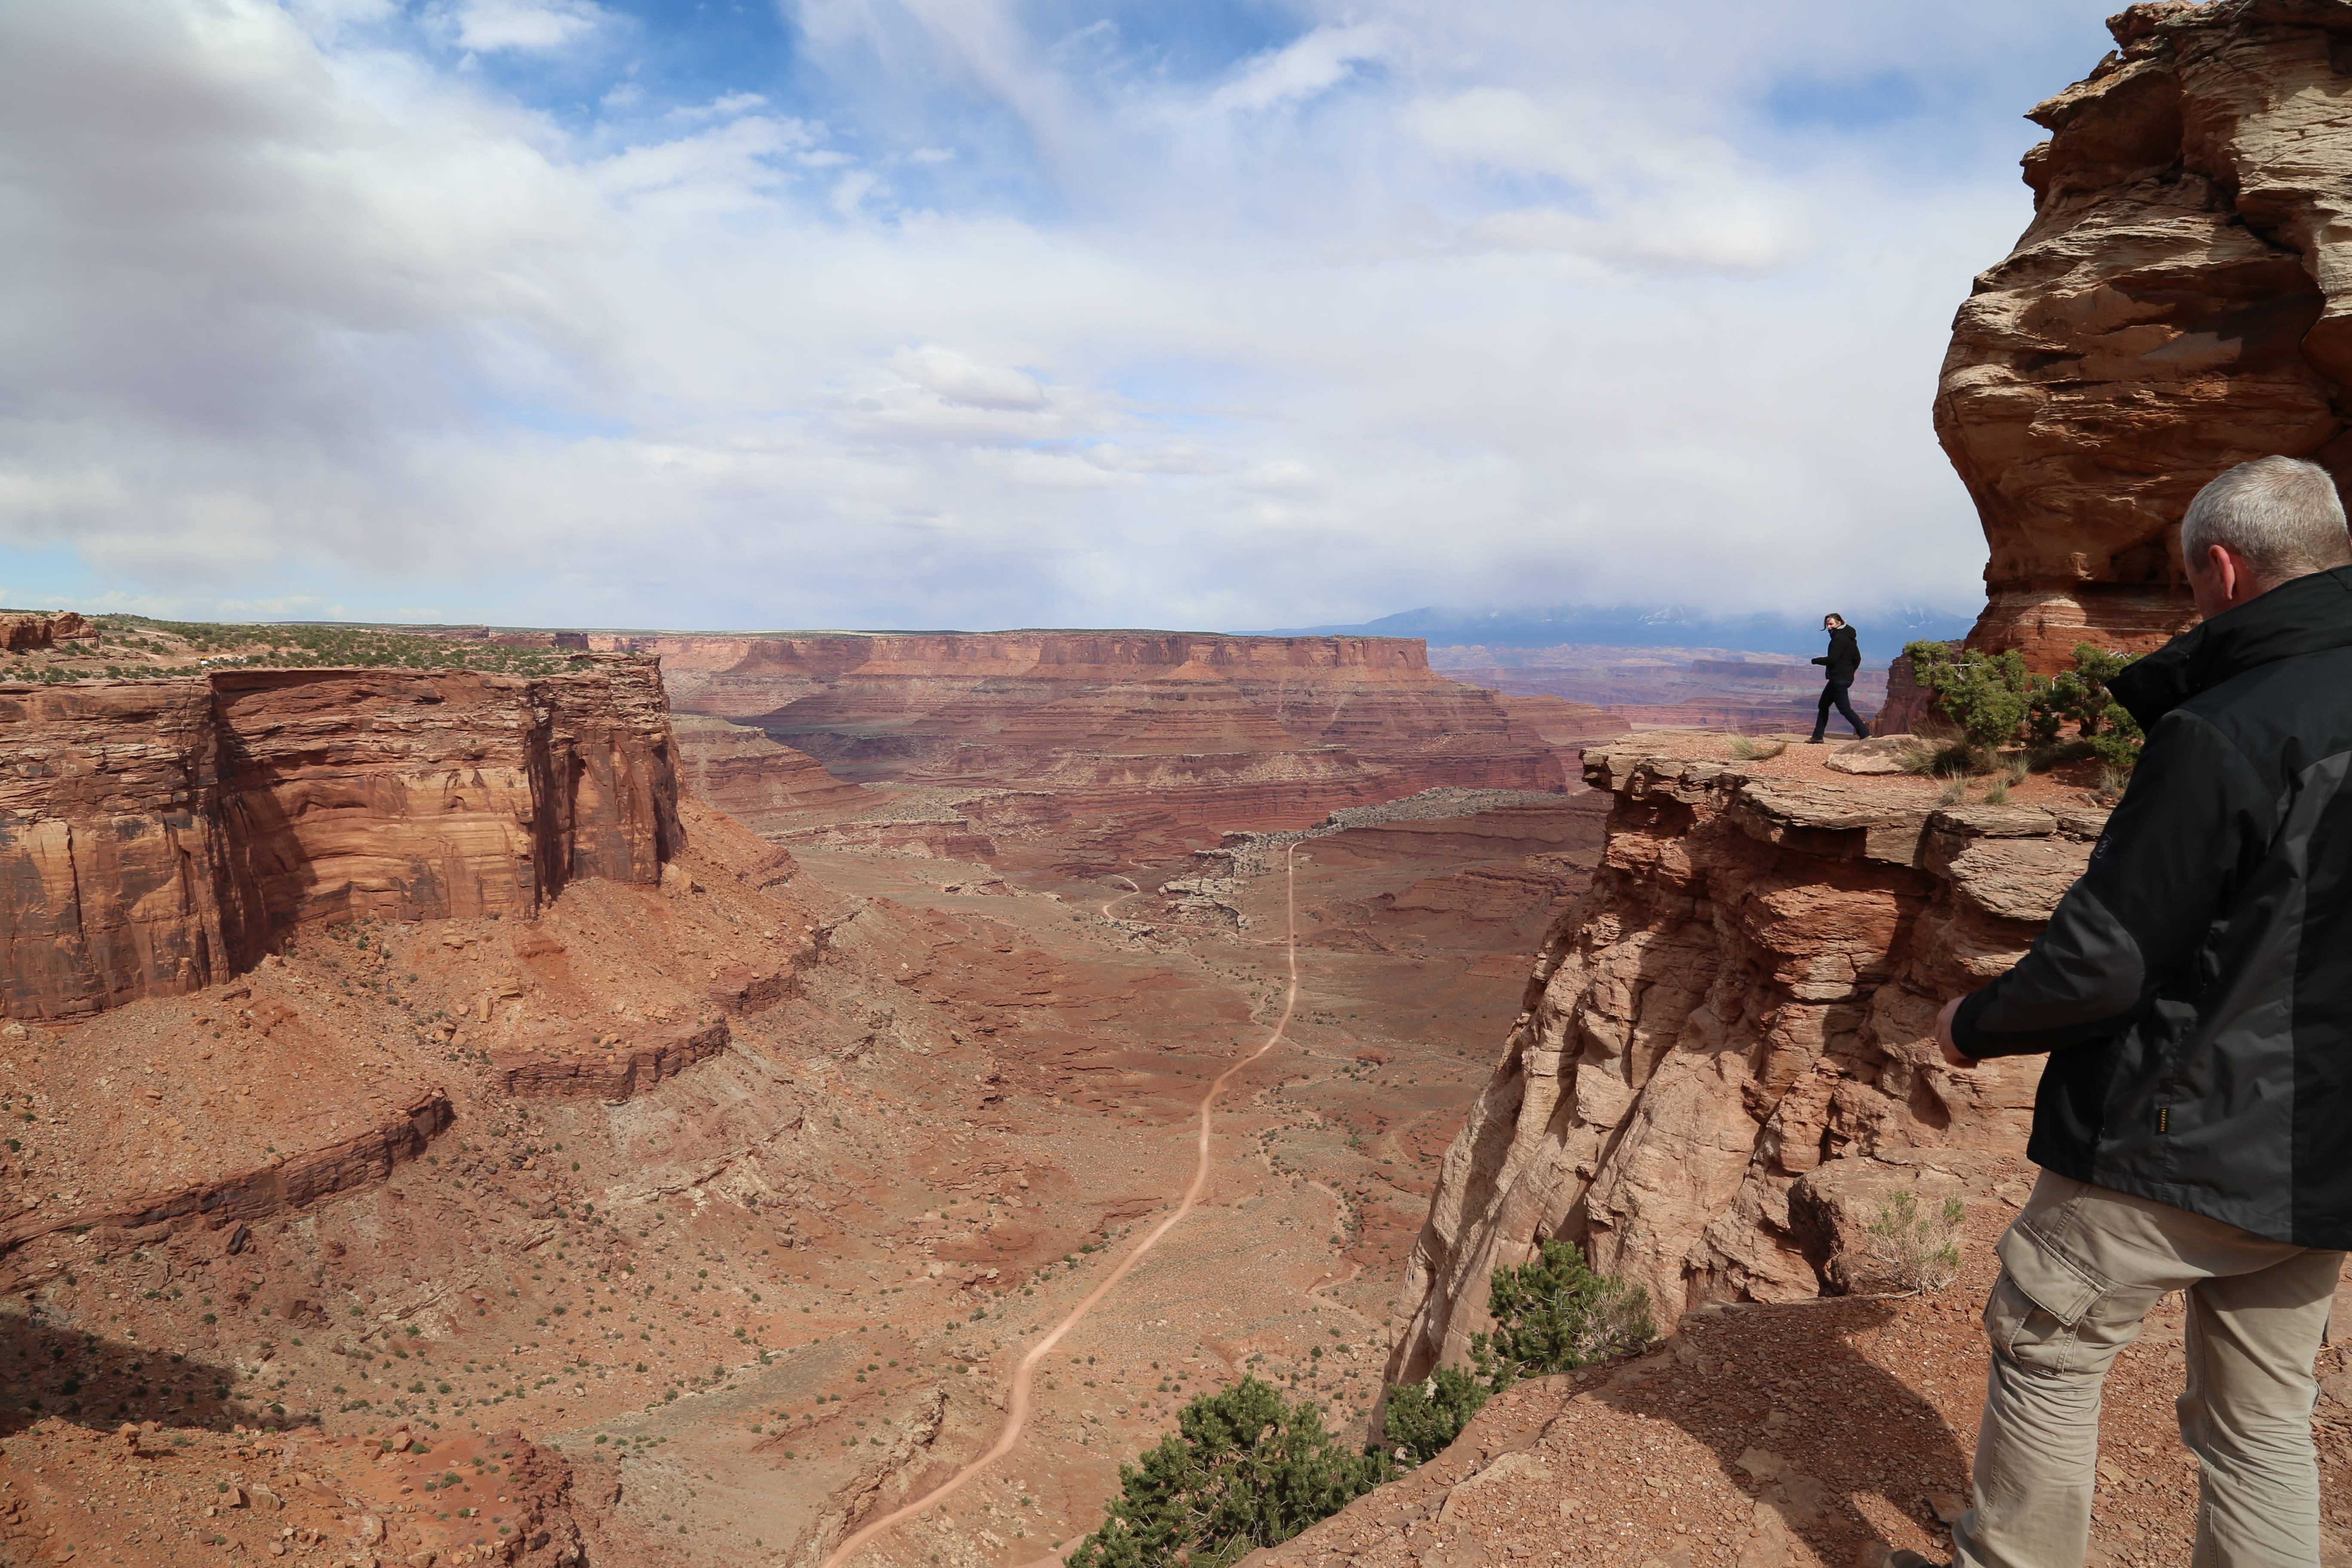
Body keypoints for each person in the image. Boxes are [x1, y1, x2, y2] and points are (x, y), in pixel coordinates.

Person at [1897, 454, 2352, 1568]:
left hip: (2180, 1136)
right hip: (2328, 1145)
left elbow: (2106, 960)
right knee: (2261, 1424)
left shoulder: (2225, 732)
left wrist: (1975, 1022)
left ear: (2227, 572)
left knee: (2046, 1343)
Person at [1808, 612, 1869, 742]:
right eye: (1827, 625)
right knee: (1823, 705)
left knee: (1845, 709)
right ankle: (1817, 736)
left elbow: (1832, 659)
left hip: (1838, 679)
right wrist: (1850, 672)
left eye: (1831, 624)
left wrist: (1816, 660)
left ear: (1839, 623)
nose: (1829, 627)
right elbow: (1857, 658)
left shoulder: (1838, 638)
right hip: (1843, 678)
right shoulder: (1850, 638)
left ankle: (1865, 734)